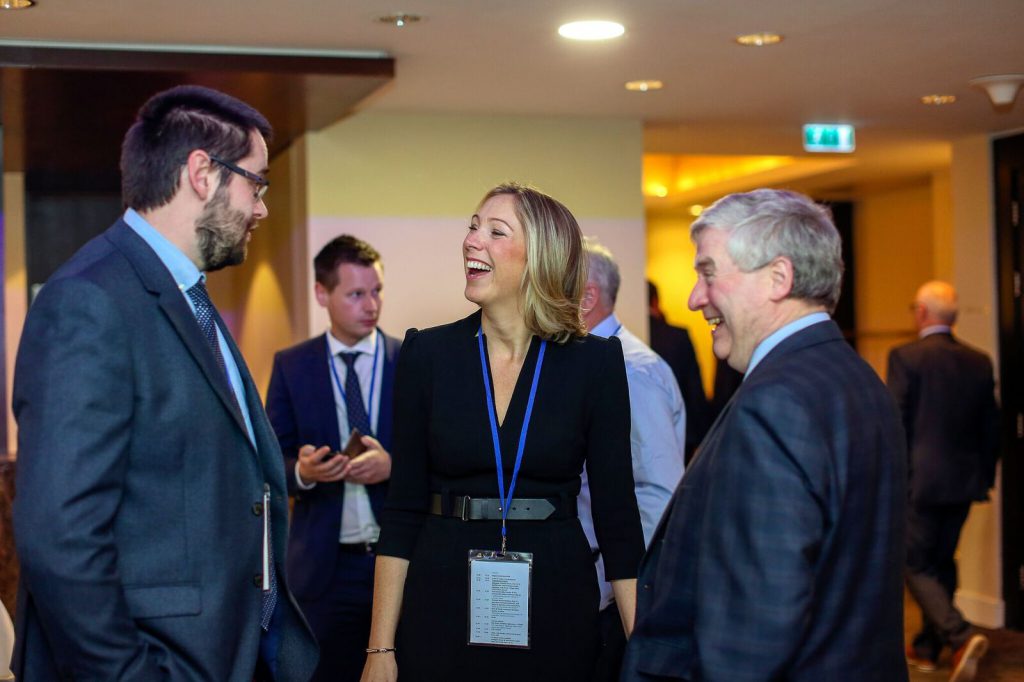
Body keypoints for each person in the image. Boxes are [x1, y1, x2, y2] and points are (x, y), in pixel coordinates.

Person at [12, 85, 317, 681]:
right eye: (256, 184)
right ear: (202, 173)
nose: (261, 209)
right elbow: (60, 537)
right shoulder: (90, 301)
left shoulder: (188, 298)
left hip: (228, 653)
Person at [361, 182, 644, 682]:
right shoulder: (427, 355)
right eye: (473, 227)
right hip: (441, 592)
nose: (472, 241)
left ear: (540, 256)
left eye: (496, 231)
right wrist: (379, 649)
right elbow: (402, 510)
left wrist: (646, 657)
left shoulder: (594, 364)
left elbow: (618, 519)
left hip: (556, 592)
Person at [621, 189, 908, 682]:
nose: (694, 298)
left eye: (708, 273)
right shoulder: (858, 379)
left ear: (779, 278)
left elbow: (753, 637)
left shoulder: (775, 403)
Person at [266, 235, 402, 682]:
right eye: (356, 294)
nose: (372, 305)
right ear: (322, 294)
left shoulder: (410, 360)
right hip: (323, 570)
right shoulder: (292, 365)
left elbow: (440, 455)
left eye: (377, 291)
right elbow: (271, 462)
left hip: (398, 562)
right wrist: (303, 472)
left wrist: (393, 467)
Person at [581, 241, 686, 681]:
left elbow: (656, 496)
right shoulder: (600, 362)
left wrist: (606, 590)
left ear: (586, 298)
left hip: (611, 600)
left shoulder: (630, 370)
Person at [888, 280, 999, 682]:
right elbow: (992, 428)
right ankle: (928, 648)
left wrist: (893, 480)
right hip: (964, 482)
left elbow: (896, 423)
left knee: (913, 562)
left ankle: (959, 636)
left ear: (921, 313)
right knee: (940, 562)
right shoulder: (978, 360)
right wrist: (983, 476)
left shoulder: (906, 357)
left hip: (920, 483)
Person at [647, 280, 709, 459]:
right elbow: (694, 389)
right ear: (656, 301)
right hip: (680, 432)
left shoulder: (626, 336)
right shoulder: (677, 336)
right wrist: (703, 438)